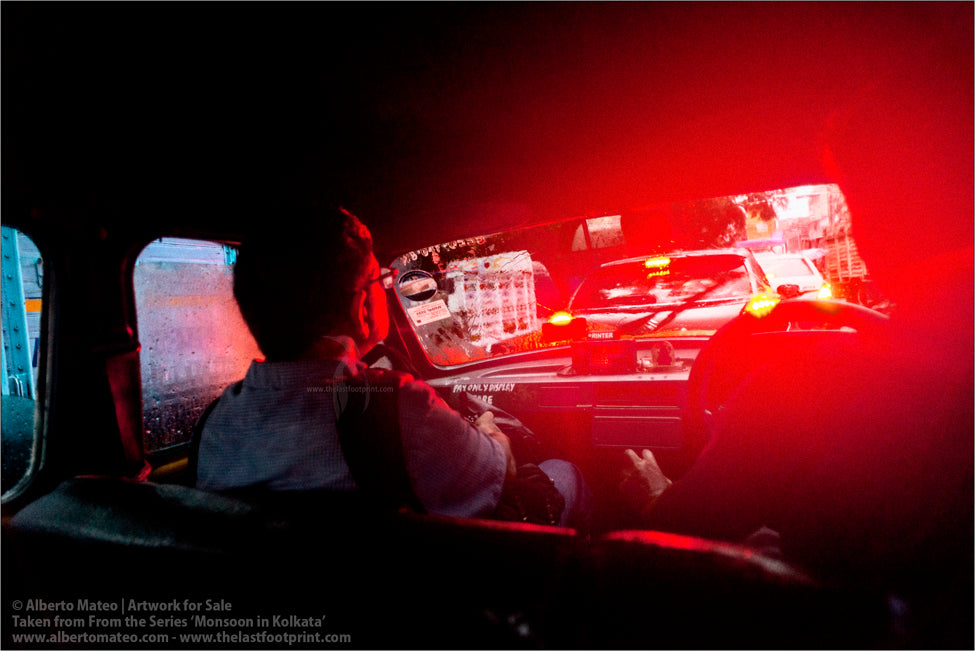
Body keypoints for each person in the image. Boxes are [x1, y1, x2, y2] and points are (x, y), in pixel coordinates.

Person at [619, 32, 972, 644]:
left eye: (858, 205)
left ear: (876, 229)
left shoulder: (802, 391)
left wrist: (653, 489)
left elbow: (680, 526)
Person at [195, 205, 591, 529]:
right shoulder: (389, 407)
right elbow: (499, 475)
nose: (384, 289)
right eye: (380, 280)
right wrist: (492, 434)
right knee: (564, 472)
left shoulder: (217, 423)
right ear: (362, 306)